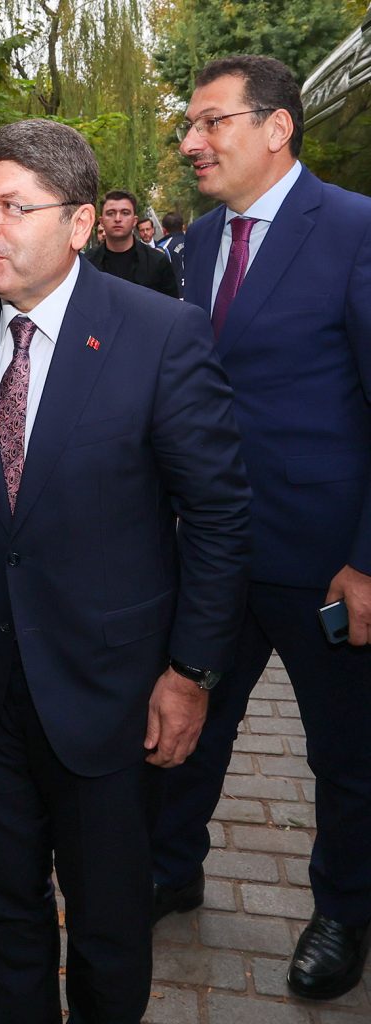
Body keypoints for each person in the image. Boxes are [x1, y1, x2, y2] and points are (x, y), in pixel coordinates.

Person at [0, 118, 251, 1023]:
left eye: (11, 207)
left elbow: (217, 517)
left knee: (109, 929)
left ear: (80, 223)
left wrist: (191, 673)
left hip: (114, 696)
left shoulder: (161, 334)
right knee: (5, 916)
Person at [153, 54, 371, 1001]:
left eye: (211, 122)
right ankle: (171, 869)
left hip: (326, 565)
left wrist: (367, 560)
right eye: (189, 125)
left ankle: (344, 911)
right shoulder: (201, 241)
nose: (191, 142)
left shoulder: (356, 229)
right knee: (187, 721)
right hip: (211, 554)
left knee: (348, 754)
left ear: (276, 128)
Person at [86, 190, 178, 297]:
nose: (118, 219)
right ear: (101, 221)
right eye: (110, 213)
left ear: (135, 221)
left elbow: (171, 304)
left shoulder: (157, 262)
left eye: (125, 213)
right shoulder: (87, 263)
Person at [156, 212, 186, 297]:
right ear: (183, 227)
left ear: (164, 230)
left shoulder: (163, 248)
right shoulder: (196, 242)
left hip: (174, 297)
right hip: (196, 296)